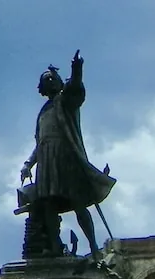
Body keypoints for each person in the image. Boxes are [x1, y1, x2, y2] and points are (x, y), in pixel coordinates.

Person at [17, 49, 117, 259]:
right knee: (48, 206)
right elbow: (40, 143)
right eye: (46, 79)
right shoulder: (44, 112)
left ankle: (94, 247)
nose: (50, 81)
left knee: (78, 201)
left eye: (53, 78)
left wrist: (77, 70)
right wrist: (29, 163)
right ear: (42, 88)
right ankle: (54, 247)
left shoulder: (66, 102)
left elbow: (75, 89)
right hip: (47, 162)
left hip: (66, 158)